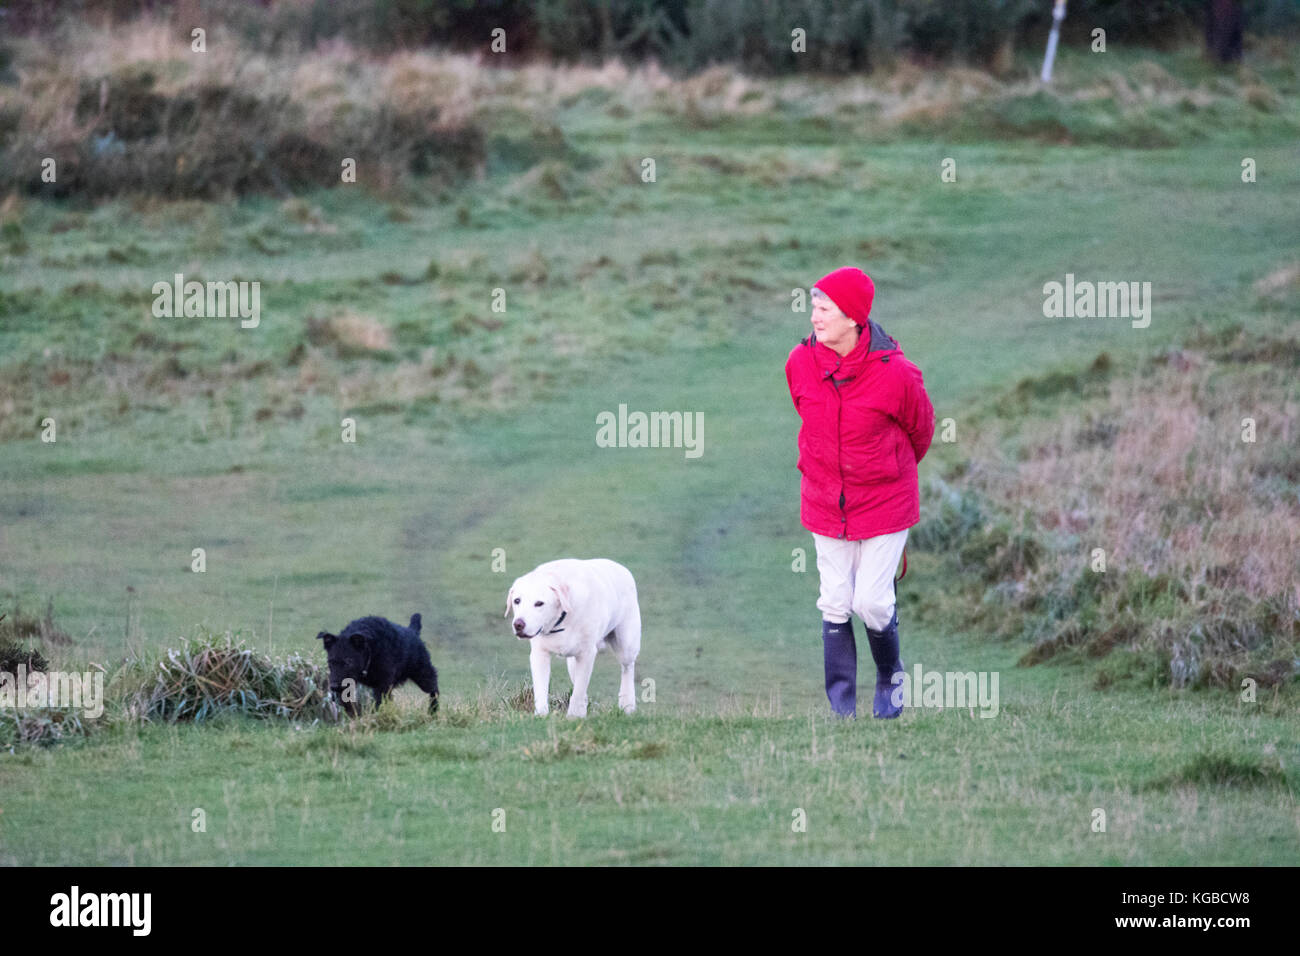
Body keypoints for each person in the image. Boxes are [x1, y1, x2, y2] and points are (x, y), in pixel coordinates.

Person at [785, 267, 935, 718]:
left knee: (871, 601)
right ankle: (842, 712)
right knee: (834, 601)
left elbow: (921, 432)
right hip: (825, 502)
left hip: (886, 504)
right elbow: (806, 415)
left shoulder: (898, 374)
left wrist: (884, 470)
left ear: (853, 317)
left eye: (825, 308)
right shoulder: (798, 363)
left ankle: (891, 685)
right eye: (814, 306)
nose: (815, 316)